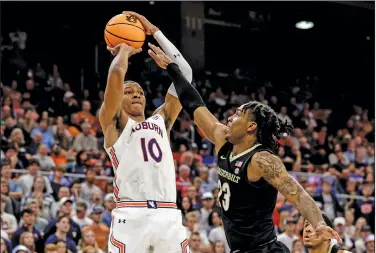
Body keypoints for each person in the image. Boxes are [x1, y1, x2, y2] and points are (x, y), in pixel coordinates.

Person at [148, 43, 342, 252]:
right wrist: (172, 70)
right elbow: (194, 104)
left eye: (238, 114)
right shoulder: (222, 138)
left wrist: (319, 223)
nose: (230, 117)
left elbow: (299, 195)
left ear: (251, 126)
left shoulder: (262, 160)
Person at [99, 11, 192, 253]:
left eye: (139, 91)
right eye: (129, 92)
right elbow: (117, 75)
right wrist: (123, 51)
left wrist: (155, 31)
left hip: (168, 214)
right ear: (119, 100)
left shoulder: (162, 120)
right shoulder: (114, 124)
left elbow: (186, 75)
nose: (137, 94)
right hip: (132, 215)